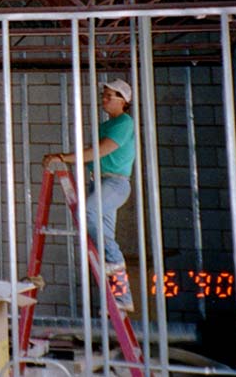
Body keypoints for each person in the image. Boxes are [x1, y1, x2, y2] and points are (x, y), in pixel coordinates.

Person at [42, 77, 136, 312]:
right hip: (100, 183)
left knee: (88, 212)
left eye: (109, 96)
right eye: (103, 94)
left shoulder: (124, 123)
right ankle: (121, 297)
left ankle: (113, 262)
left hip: (115, 184)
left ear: (123, 101)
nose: (103, 99)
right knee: (102, 235)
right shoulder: (107, 125)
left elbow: (99, 152)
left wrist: (63, 158)